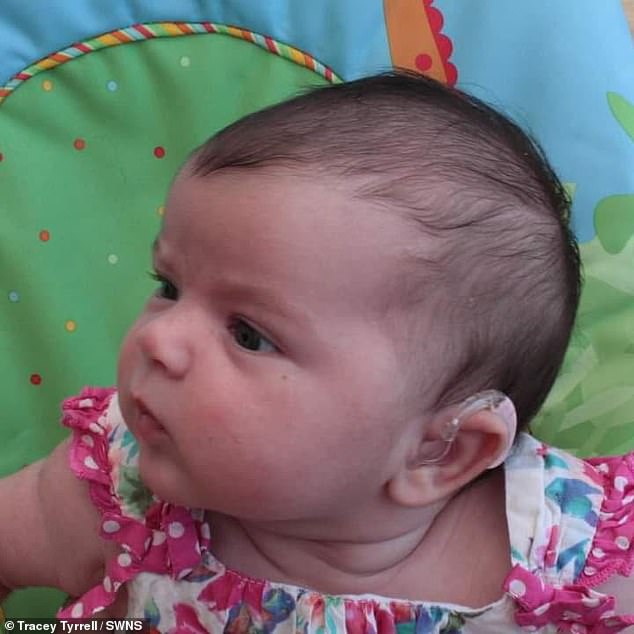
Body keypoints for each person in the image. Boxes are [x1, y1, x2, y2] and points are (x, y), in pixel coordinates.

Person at [1, 71, 633, 632]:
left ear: (442, 450)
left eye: (249, 334)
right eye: (170, 287)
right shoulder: (117, 490)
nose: (158, 339)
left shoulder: (576, 558)